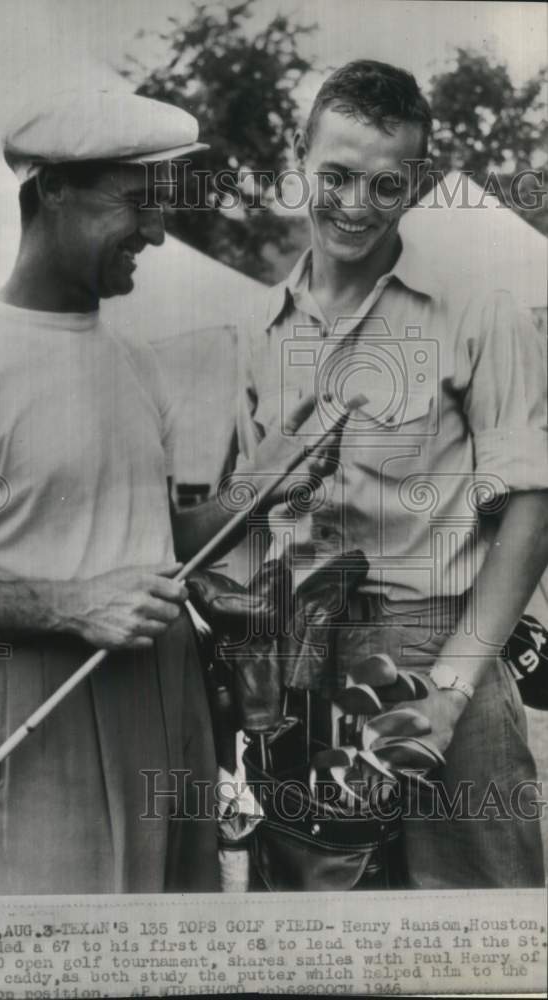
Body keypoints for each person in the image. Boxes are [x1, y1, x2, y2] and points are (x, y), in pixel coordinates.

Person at [0, 90, 329, 894]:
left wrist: (260, 483)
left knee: (169, 960)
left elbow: (147, 540)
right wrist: (64, 606)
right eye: (137, 204)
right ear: (53, 190)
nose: (155, 232)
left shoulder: (133, 359)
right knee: (53, 961)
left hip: (171, 708)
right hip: (37, 706)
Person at [235, 60, 548, 888]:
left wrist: (449, 695)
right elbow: (239, 527)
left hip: (440, 648)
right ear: (297, 161)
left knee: (483, 940)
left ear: (415, 185)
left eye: (385, 184)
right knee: (324, 941)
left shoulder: (480, 311)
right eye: (335, 176)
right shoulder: (258, 328)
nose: (354, 205)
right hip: (303, 668)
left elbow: (533, 512)